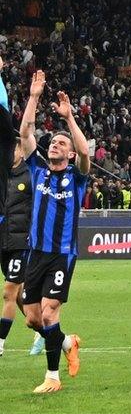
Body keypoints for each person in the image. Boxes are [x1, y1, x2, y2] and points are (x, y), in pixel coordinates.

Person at [19, 74, 88, 393]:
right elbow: (25, 133)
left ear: (70, 154)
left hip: (62, 254)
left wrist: (70, 117)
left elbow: (86, 153)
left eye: (63, 144)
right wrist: (34, 96)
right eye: (55, 143)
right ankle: (67, 342)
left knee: (49, 311)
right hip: (36, 254)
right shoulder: (38, 170)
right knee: (33, 319)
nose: (56, 145)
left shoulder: (77, 177)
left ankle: (52, 377)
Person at [0, 55, 31, 356]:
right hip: (3, 242)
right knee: (22, 300)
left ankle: (0, 342)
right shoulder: (3, 174)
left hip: (21, 242)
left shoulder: (30, 175)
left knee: (9, 291)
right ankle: (48, 334)